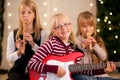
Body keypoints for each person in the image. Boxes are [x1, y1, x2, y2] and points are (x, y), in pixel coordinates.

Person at [27, 13, 84, 80]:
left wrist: (97, 68)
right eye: (58, 27)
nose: (63, 28)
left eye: (65, 24)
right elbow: (31, 63)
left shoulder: (73, 48)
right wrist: (54, 69)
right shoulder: (50, 44)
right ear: (53, 31)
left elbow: (77, 70)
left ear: (70, 26)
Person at [72, 11, 119, 80]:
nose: (88, 29)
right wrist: (83, 49)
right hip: (86, 75)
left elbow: (103, 58)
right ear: (79, 28)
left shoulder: (98, 39)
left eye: (91, 26)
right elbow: (79, 65)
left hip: (100, 75)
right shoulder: (76, 41)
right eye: (84, 26)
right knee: (80, 77)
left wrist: (95, 46)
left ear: (94, 27)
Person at [6, 0, 47, 80]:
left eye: (29, 12)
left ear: (35, 15)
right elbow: (9, 58)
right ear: (19, 15)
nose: (25, 15)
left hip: (36, 71)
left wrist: (32, 44)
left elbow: (45, 56)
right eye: (22, 12)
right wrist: (19, 52)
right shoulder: (13, 34)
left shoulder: (43, 34)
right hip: (17, 72)